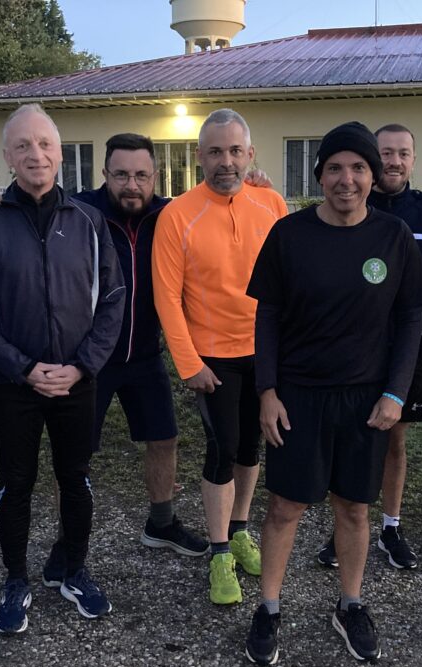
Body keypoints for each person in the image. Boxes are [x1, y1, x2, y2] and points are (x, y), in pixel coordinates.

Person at [0, 133, 209, 559]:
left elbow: (218, 201)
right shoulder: (80, 212)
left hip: (145, 354)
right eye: (120, 175)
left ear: (155, 176)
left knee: (164, 439)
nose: (131, 184)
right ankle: (68, 539)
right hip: (89, 359)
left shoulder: (170, 215)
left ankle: (162, 522)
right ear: (105, 174)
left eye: (140, 175)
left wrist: (256, 181)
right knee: (75, 458)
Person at [243, 122, 422, 665]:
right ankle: (270, 608)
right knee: (285, 507)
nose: (346, 179)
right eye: (335, 168)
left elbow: (410, 320)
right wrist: (267, 391)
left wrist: (396, 394)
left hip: (366, 399)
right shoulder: (289, 234)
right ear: (320, 174)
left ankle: (350, 604)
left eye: (358, 168)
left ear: (373, 176)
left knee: (353, 508)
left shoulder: (393, 237)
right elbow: (268, 317)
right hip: (298, 395)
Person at [0, 104, 125, 633]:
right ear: (7, 156)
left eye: (45, 144)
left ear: (60, 153)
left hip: (78, 381)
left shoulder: (89, 220)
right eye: (23, 146)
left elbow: (114, 299)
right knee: (17, 483)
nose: (36, 154)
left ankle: (73, 568)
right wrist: (23, 367)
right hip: (16, 385)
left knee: (75, 479)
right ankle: (15, 579)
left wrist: (81, 367)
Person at [152, 109, 288, 605]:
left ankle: (240, 528)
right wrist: (189, 364)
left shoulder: (272, 204)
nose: (225, 162)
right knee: (222, 447)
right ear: (198, 157)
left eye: (235, 151)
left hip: (266, 354)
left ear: (250, 154)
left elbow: (290, 280)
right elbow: (166, 296)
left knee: (252, 447)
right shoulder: (178, 214)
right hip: (212, 358)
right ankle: (218, 552)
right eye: (215, 152)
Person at [315, 123, 422, 571]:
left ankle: (390, 526)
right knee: (345, 440)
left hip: (406, 353)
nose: (394, 161)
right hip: (351, 354)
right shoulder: (350, 202)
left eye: (403, 154)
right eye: (386, 153)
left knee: (393, 441)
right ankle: (344, 528)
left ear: (414, 160)